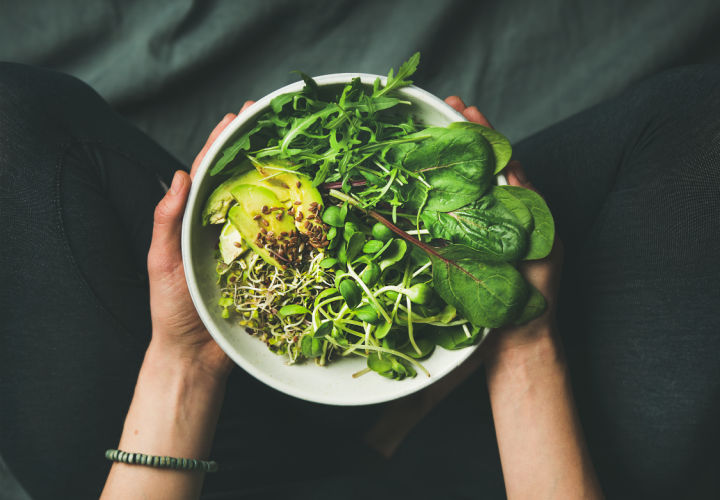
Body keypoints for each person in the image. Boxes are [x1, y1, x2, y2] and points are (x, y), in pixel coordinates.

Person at [0, 62, 718, 499]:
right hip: (501, 467)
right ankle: (404, 418)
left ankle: (379, 417)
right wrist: (524, 346)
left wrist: (186, 360)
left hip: (201, 466)